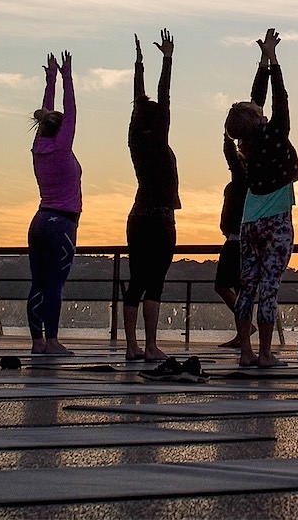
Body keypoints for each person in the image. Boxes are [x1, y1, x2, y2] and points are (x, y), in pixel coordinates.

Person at [226, 27, 298, 368]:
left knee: (247, 287)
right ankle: (266, 353)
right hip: (276, 223)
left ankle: (246, 352)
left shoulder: (247, 145)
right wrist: (275, 62)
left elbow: (257, 101)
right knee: (269, 287)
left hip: (249, 222)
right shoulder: (275, 134)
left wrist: (264, 61)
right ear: (258, 121)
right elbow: (280, 97)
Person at [124, 30, 179, 362]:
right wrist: (167, 59)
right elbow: (164, 94)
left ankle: (131, 346)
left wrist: (140, 64)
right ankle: (150, 345)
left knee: (135, 280)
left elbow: (141, 98)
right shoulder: (158, 138)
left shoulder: (135, 140)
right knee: (154, 282)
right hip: (160, 217)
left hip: (137, 216)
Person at [28, 49, 81, 356]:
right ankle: (53, 341)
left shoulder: (39, 147)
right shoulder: (61, 148)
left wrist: (50, 78)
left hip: (39, 222)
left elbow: (48, 112)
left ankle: (38, 341)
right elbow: (70, 111)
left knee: (38, 283)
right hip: (61, 223)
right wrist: (66, 77)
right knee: (55, 284)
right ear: (61, 131)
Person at [213, 127, 247, 348]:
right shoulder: (241, 182)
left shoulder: (242, 179)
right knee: (238, 288)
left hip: (237, 241)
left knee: (225, 286)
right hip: (236, 239)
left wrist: (227, 135)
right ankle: (242, 332)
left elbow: (230, 157)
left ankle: (244, 328)